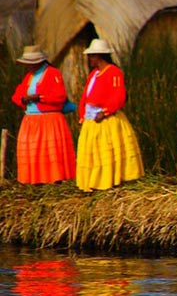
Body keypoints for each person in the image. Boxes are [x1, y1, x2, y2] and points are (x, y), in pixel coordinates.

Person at [75, 38, 144, 191]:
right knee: (93, 153)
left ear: (99, 56)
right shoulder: (93, 74)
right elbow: (86, 96)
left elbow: (119, 96)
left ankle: (109, 181)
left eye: (92, 56)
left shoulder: (113, 72)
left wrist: (105, 112)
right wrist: (83, 115)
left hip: (106, 119)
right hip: (91, 119)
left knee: (106, 152)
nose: (90, 59)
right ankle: (93, 182)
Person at [11, 45, 76, 184]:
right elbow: (17, 94)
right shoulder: (29, 77)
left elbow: (60, 96)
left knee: (49, 151)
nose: (28, 66)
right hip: (31, 120)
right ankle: (36, 180)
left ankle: (55, 179)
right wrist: (23, 99)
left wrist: (39, 98)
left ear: (40, 61)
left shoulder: (53, 73)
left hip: (49, 119)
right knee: (34, 152)